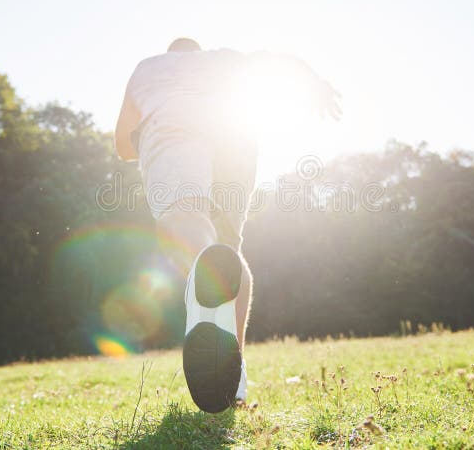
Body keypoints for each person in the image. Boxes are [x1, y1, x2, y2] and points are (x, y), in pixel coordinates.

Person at [115, 37, 340, 413]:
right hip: (234, 132)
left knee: (184, 212)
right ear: (197, 51)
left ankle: (206, 302)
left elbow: (122, 145)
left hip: (174, 124)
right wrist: (313, 82)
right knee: (230, 252)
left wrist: (144, 138)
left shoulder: (148, 67)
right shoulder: (223, 59)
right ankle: (234, 377)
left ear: (170, 54)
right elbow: (275, 60)